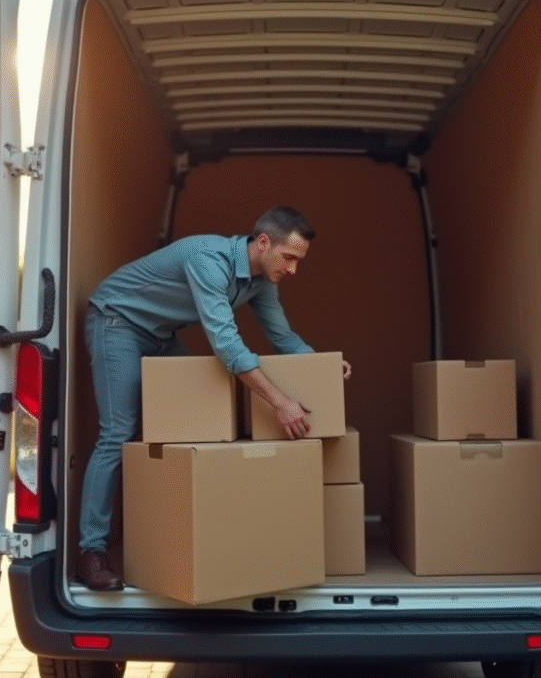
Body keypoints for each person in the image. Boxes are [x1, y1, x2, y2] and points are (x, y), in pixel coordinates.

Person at [77, 206, 353, 590]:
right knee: (118, 433)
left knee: (200, 422)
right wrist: (279, 402)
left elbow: (283, 338)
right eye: (289, 257)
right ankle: (91, 551)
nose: (293, 270)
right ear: (262, 242)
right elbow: (227, 346)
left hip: (161, 336)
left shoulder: (261, 282)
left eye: (298, 261)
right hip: (117, 321)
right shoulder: (208, 260)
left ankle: (180, 535)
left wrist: (322, 367)